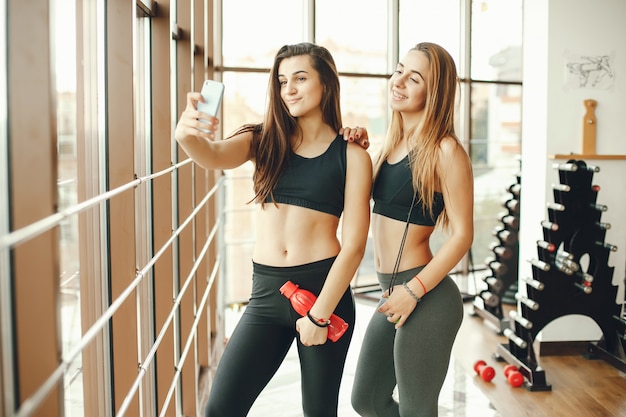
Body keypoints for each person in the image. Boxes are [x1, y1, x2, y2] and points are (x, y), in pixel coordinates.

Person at [174, 42, 372, 417]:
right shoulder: (262, 140)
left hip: (323, 294)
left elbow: (355, 247)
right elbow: (212, 156)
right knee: (220, 409)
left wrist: (319, 317)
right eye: (282, 81)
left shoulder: (353, 154)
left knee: (319, 413)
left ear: (326, 84)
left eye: (300, 78)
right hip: (265, 294)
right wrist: (186, 136)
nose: (289, 89)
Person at [347, 42, 474, 417]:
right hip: (392, 290)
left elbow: (463, 234)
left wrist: (413, 291)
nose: (398, 81)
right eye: (399, 70)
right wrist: (353, 150)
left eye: (413, 78)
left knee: (417, 410)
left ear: (433, 92)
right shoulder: (388, 147)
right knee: (366, 400)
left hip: (426, 294)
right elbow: (348, 199)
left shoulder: (446, 151)